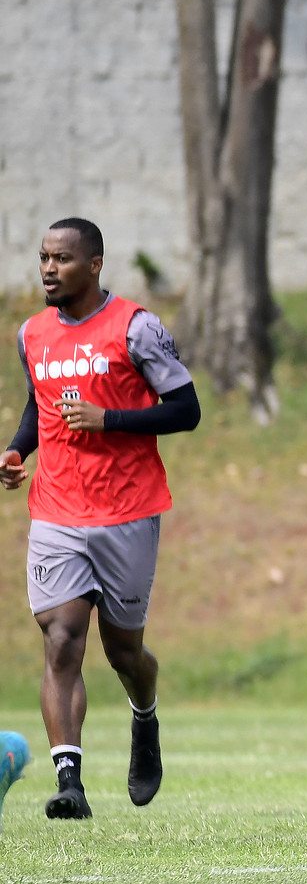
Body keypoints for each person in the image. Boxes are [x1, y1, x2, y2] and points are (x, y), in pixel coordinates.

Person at [3, 219, 203, 820]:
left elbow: (186, 410)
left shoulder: (136, 329)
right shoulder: (31, 334)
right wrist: (17, 451)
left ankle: (145, 714)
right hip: (58, 510)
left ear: (93, 265)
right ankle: (70, 781)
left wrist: (109, 420)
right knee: (61, 638)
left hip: (127, 511)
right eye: (42, 257)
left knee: (123, 651)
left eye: (61, 258)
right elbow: (41, 406)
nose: (47, 269)